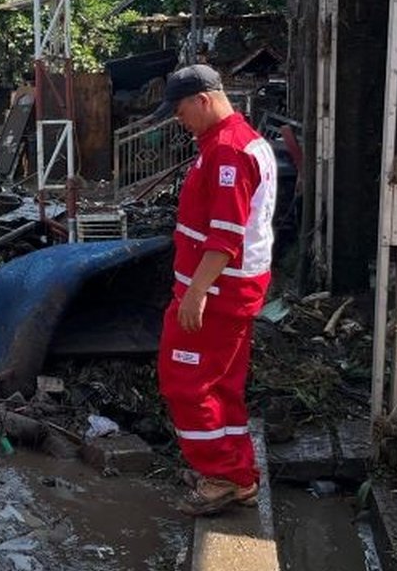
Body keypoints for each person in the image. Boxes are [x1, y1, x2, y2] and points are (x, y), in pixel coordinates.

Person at [152, 64, 277, 516]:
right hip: (235, 289)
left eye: (182, 111)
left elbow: (224, 238)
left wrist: (195, 293)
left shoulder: (227, 152)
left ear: (203, 101)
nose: (179, 120)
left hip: (218, 292)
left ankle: (223, 476)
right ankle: (236, 471)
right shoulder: (243, 140)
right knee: (223, 384)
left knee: (185, 381)